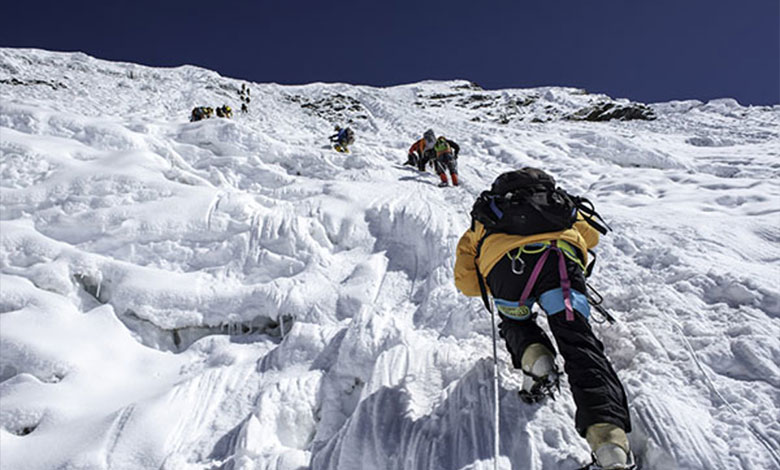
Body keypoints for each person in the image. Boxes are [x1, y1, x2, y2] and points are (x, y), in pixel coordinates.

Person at [454, 168, 634, 470]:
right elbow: (591, 238)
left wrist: (493, 282)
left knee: (516, 322)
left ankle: (535, 359)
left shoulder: (486, 214)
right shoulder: (558, 202)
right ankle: (609, 445)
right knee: (578, 341)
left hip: (507, 271)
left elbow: (467, 283)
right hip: (560, 263)